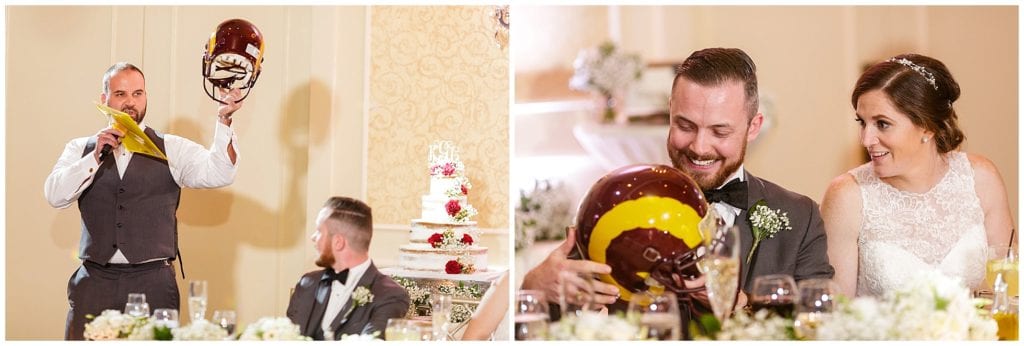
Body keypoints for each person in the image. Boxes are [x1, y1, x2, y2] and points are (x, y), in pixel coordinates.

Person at [521, 48, 834, 323]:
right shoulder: (611, 204)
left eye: (719, 132)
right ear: (670, 112)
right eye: (685, 126)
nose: (699, 147)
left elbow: (822, 330)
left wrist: (742, 304)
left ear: (754, 127)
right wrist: (535, 287)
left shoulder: (800, 217)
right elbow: (554, 328)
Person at [44, 62, 242, 340]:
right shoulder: (80, 148)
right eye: (121, 94)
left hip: (153, 283)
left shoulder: (171, 147)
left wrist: (224, 121)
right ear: (105, 99)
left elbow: (220, 172)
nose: (130, 102)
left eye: (138, 94)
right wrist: (94, 158)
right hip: (94, 281)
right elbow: (55, 195)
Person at [821, 53, 1014, 297]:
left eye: (882, 123)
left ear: (927, 126)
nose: (866, 139)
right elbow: (837, 314)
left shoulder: (981, 178)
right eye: (862, 122)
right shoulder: (847, 196)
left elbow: (1008, 289)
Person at [286, 197, 410, 340]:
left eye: (319, 231)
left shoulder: (390, 296)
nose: (313, 237)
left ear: (338, 242)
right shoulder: (307, 283)